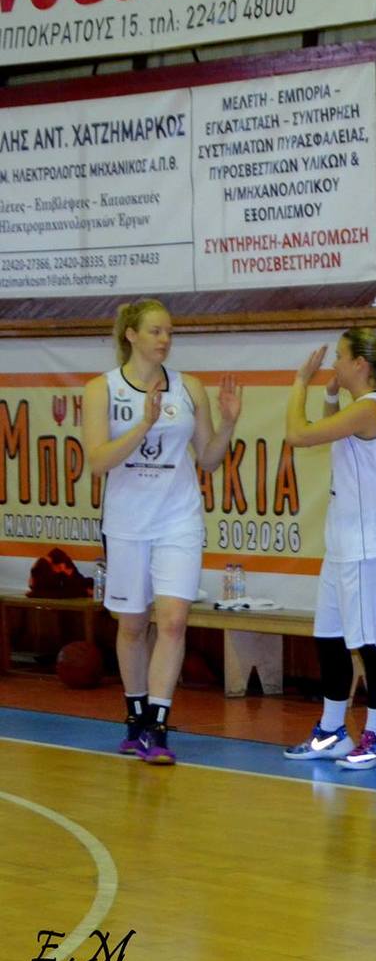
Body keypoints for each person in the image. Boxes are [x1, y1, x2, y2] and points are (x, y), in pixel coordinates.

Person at [85, 300, 240, 765]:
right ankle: (135, 717)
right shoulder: (102, 389)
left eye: (169, 331)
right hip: (127, 521)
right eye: (155, 331)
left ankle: (158, 726)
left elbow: (208, 459)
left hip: (178, 518)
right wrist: (145, 424)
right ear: (131, 335)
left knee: (172, 621)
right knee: (133, 625)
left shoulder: (188, 387)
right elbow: (99, 462)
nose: (165, 339)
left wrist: (228, 423)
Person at [281, 329, 376, 770]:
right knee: (330, 638)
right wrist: (331, 395)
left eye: (340, 356)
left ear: (360, 364)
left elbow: (298, 434)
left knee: (374, 649)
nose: (334, 363)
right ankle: (333, 729)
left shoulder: (372, 407)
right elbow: (335, 434)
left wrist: (301, 382)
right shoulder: (361, 408)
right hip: (345, 545)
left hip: (370, 548)